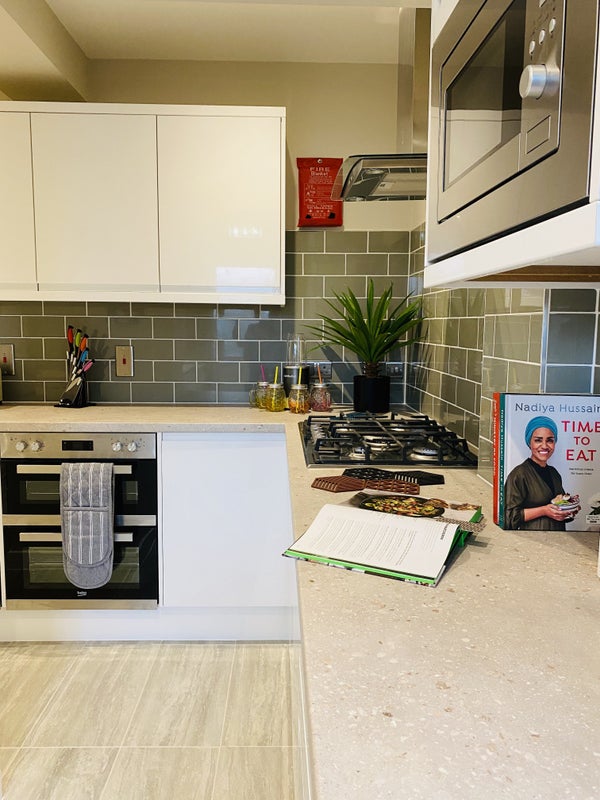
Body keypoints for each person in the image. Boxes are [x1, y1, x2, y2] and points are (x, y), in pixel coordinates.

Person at [504, 415, 578, 530]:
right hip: (532, 539)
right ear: (529, 442)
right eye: (538, 440)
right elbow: (508, 518)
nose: (544, 446)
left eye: (550, 440)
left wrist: (569, 511)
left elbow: (560, 506)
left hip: (558, 538)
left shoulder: (554, 473)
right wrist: (543, 511)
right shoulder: (519, 475)